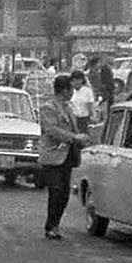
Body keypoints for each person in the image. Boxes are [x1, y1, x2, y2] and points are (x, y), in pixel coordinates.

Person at [37, 75, 92, 240]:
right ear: (64, 90)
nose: (72, 93)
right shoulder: (48, 108)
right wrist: (74, 138)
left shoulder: (68, 107)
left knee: (64, 194)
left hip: (67, 156)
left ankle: (56, 225)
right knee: (56, 191)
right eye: (70, 90)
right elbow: (52, 130)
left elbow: (72, 129)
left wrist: (81, 137)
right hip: (53, 156)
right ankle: (50, 226)